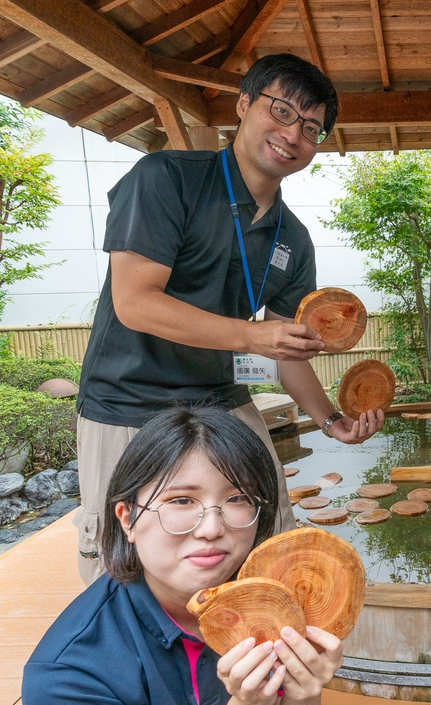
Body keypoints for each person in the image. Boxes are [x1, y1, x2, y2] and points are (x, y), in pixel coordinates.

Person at [75, 53, 384, 585]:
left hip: (220, 401)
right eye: (282, 111)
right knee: (121, 567)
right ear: (244, 104)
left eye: (311, 128)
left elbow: (284, 352)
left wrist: (333, 422)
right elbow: (135, 302)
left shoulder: (293, 238)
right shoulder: (167, 178)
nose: (293, 134)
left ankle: (243, 658)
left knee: (268, 541)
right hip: (127, 402)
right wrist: (251, 335)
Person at [23, 406, 344, 704]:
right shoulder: (68, 677)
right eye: (181, 501)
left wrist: (300, 695)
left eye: (237, 498)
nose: (211, 528)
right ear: (127, 518)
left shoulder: (276, 612)